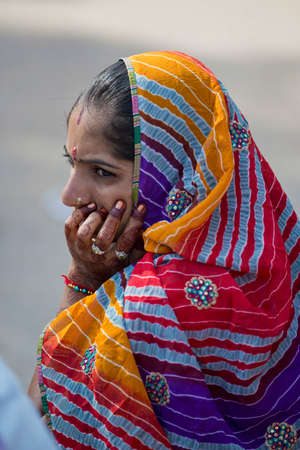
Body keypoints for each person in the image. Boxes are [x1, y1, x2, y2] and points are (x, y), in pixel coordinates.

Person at [28, 51, 299, 449]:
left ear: (176, 173)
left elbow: (38, 420)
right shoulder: (281, 254)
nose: (71, 195)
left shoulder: (147, 308)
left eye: (102, 172)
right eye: (72, 163)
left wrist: (84, 278)